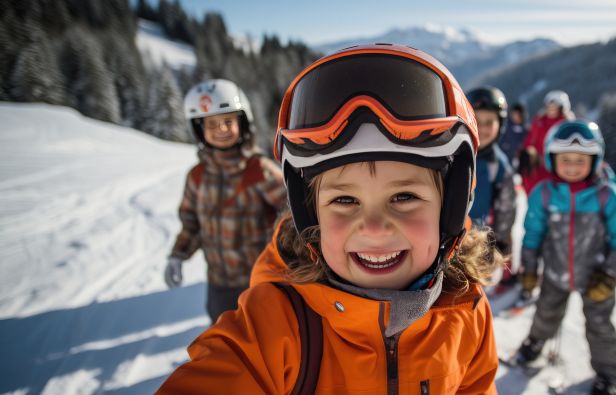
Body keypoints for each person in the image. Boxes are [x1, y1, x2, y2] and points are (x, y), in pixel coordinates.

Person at [157, 44, 505, 394]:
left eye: (404, 197)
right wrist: (180, 251)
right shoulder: (279, 326)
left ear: (451, 209)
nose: (373, 227)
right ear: (311, 216)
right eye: (344, 199)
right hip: (224, 277)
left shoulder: (467, 309)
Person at [513, 121, 616, 395]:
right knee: (546, 314)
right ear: (551, 159)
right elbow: (532, 235)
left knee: (599, 325)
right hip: (556, 274)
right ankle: (535, 343)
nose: (572, 166)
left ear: (594, 160)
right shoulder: (544, 194)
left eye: (580, 160)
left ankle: (609, 374)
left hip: (596, 278)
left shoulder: (607, 196)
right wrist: (530, 270)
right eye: (565, 159)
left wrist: (609, 275)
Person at [164, 79, 286, 324]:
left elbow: (292, 212)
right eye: (212, 124)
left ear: (242, 122)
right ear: (199, 130)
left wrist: (289, 255)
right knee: (225, 339)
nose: (221, 129)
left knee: (266, 338)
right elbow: (191, 224)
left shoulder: (258, 169)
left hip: (260, 279)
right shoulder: (197, 176)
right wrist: (177, 255)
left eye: (228, 121)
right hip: (219, 284)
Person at [465, 86, 517, 287]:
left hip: (477, 242)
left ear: (500, 124)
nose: (483, 128)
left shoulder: (499, 165)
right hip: (445, 237)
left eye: (490, 122)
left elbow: (506, 208)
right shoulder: (453, 154)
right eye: (478, 121)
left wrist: (501, 242)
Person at [520, 90, 575, 194]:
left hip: (555, 163)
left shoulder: (566, 124)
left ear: (562, 108)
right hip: (536, 163)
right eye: (549, 106)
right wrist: (527, 153)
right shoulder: (539, 121)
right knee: (533, 188)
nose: (551, 109)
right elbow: (530, 139)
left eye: (555, 106)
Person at [499, 102, 529, 169]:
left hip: (523, 162)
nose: (516, 117)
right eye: (514, 114)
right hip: (507, 161)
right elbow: (500, 143)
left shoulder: (527, 130)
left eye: (519, 114)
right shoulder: (504, 128)